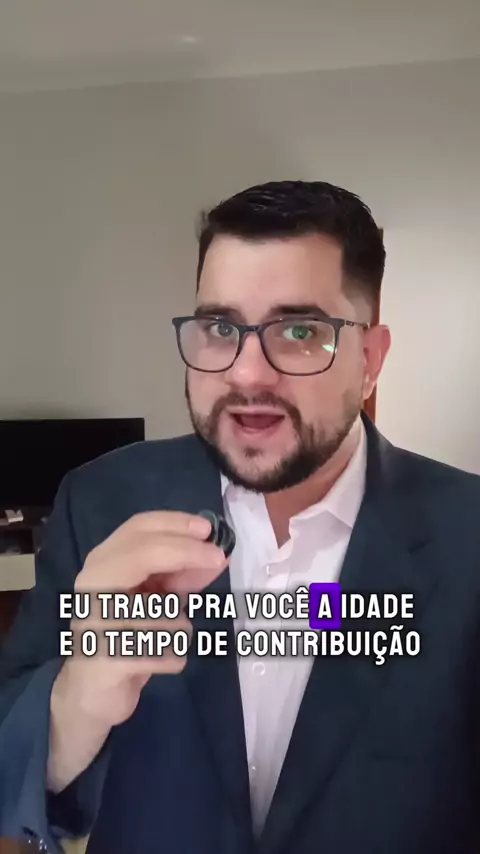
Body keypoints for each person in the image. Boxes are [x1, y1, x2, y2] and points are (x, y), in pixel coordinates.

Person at [1, 180, 480, 854]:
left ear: (369, 360)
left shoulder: (467, 537)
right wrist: (70, 708)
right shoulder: (101, 502)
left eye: (300, 331)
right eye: (221, 328)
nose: (247, 375)